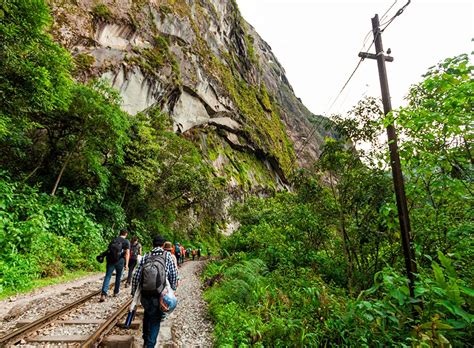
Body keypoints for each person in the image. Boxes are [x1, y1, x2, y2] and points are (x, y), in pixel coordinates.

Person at [131, 235, 178, 348]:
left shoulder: (146, 255)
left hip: (145, 293)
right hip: (160, 294)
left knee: (148, 312)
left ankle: (146, 339)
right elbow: (173, 275)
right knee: (155, 319)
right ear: (163, 245)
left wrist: (134, 294)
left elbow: (136, 275)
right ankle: (150, 345)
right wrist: (172, 290)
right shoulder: (167, 256)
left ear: (153, 244)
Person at [100, 229, 130, 302]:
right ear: (126, 234)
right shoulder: (126, 242)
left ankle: (103, 293)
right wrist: (126, 264)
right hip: (120, 261)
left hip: (110, 260)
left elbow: (108, 250)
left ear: (120, 233)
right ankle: (116, 292)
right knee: (118, 276)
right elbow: (127, 253)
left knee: (108, 276)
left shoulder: (114, 239)